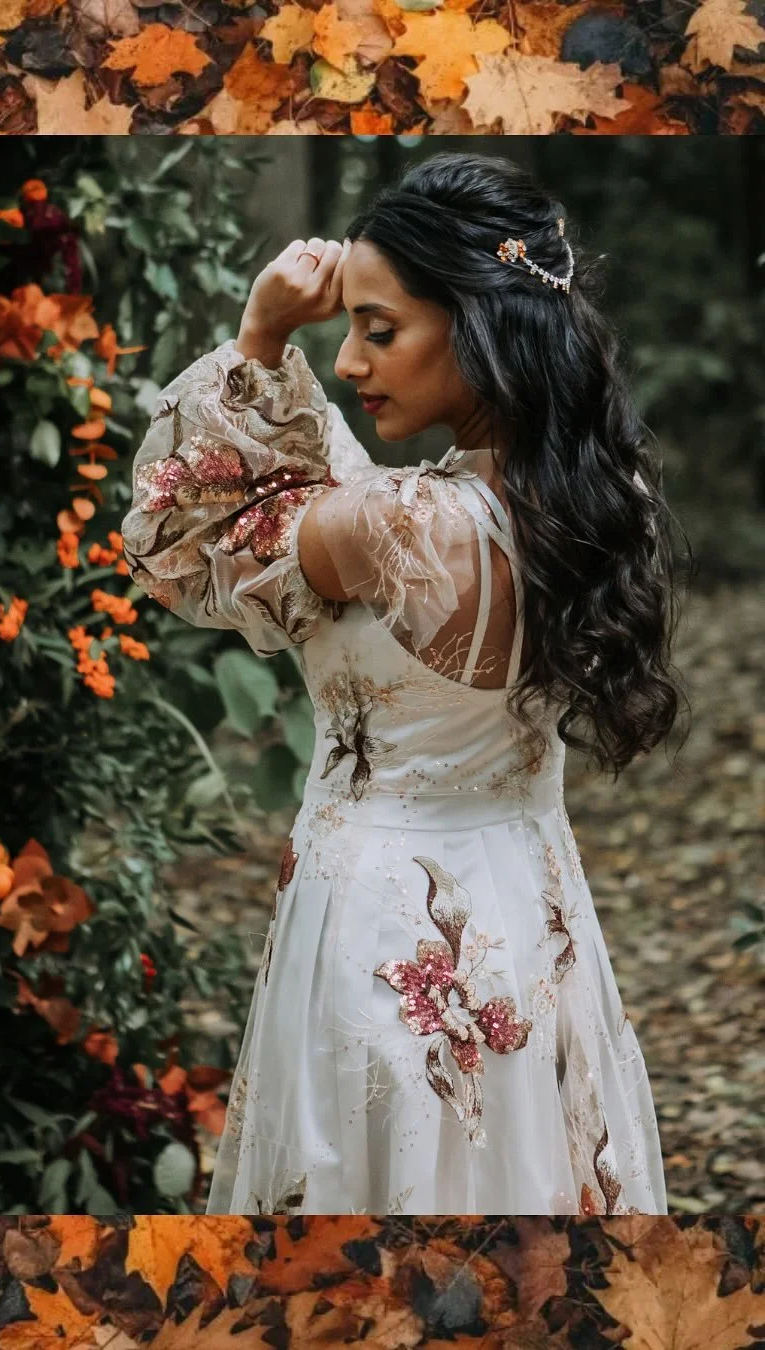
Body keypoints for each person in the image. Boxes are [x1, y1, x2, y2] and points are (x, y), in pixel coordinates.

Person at [119, 151, 690, 1215]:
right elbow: (339, 484)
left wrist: (260, 337)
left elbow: (180, 542)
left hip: (388, 921)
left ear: (481, 328)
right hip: (529, 901)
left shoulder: (399, 525)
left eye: (380, 331)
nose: (348, 363)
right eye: (350, 334)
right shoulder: (593, 495)